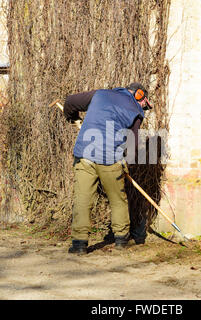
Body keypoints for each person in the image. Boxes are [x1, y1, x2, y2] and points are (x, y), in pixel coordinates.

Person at [63, 82, 152, 254]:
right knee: (117, 199)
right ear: (138, 95)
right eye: (144, 104)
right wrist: (125, 163)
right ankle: (121, 239)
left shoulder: (99, 94)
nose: (144, 108)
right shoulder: (136, 112)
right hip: (110, 160)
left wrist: (72, 117)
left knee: (83, 199)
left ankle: (79, 244)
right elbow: (132, 146)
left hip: (85, 156)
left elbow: (70, 102)